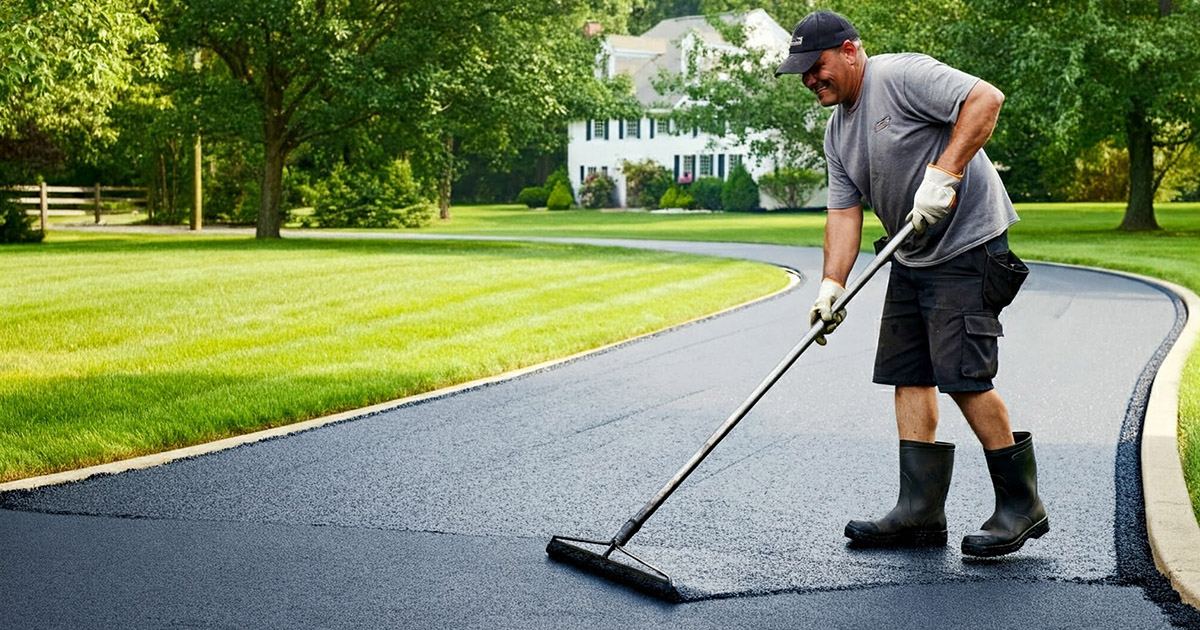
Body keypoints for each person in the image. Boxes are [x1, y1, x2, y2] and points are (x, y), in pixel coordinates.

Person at [775, 11, 1046, 557]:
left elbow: (986, 100)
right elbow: (844, 214)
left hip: (968, 245)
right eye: (802, 72)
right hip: (913, 252)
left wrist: (944, 174)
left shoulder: (901, 76)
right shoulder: (837, 131)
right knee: (909, 372)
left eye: (817, 66)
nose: (810, 80)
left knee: (963, 374)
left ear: (850, 51)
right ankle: (919, 511)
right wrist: (830, 285)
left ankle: (1021, 505)